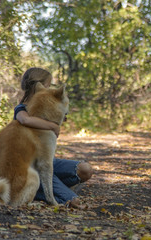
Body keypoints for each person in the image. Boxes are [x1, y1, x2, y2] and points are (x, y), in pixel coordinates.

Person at [14, 67, 93, 208]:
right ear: (41, 86)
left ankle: (51, 190)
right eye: (48, 85)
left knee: (85, 169)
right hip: (32, 167)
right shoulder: (21, 108)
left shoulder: (47, 106)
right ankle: (47, 193)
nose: (50, 88)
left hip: (48, 163)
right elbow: (24, 120)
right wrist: (52, 126)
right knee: (74, 202)